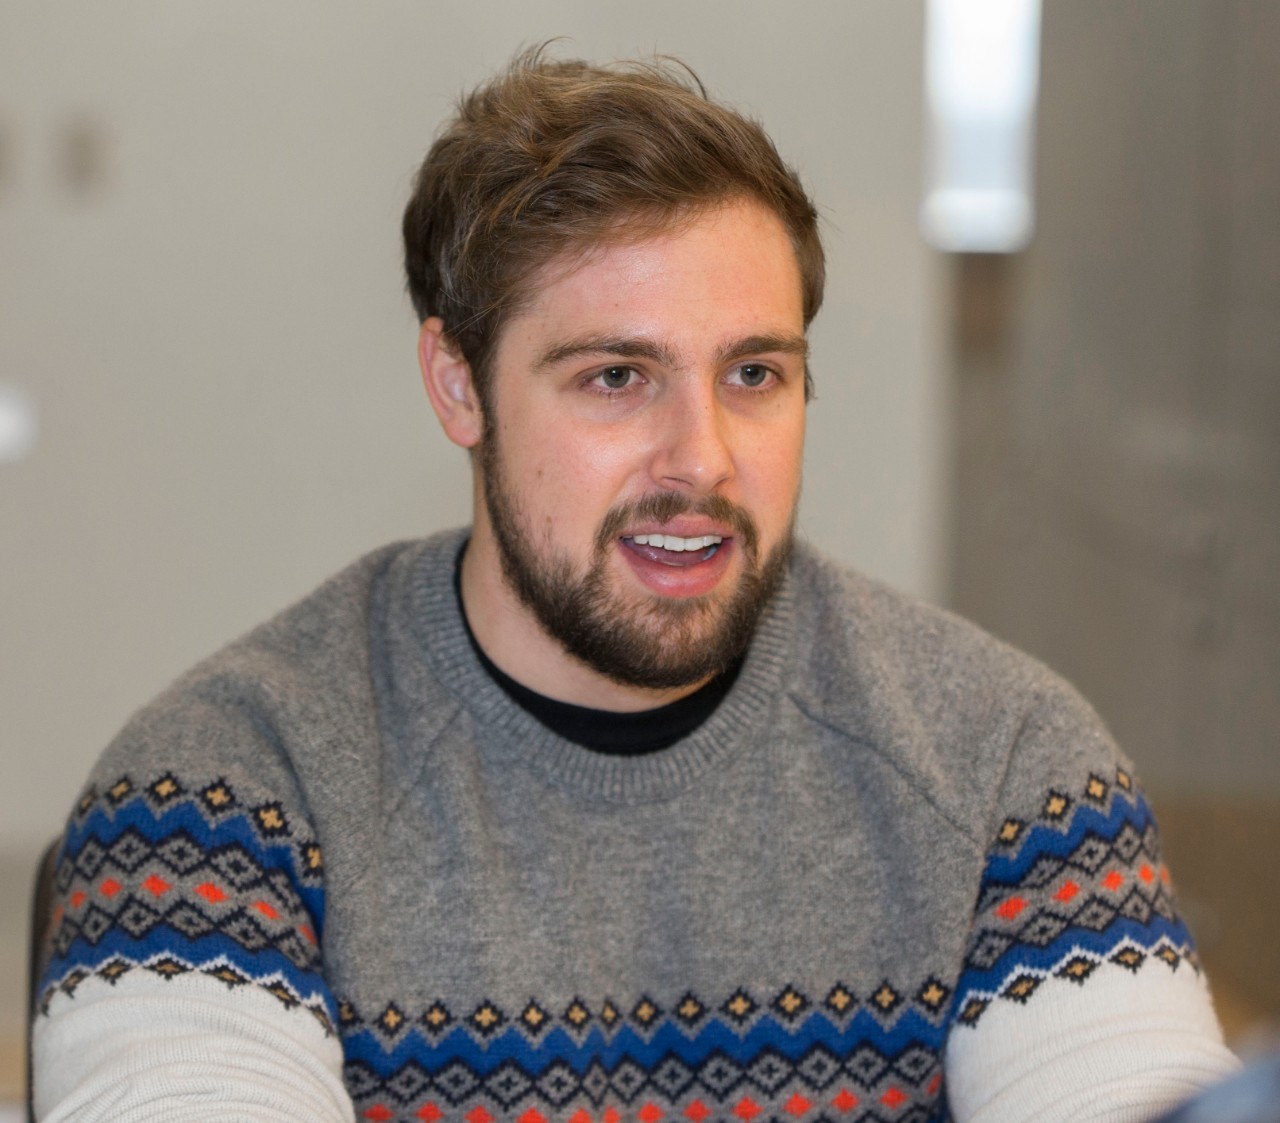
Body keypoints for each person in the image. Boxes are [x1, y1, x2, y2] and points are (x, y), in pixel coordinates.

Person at [32, 50, 1238, 1123]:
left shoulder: (1000, 763)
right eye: (616, 377)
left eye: (754, 373)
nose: (702, 459)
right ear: (457, 386)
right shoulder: (221, 787)